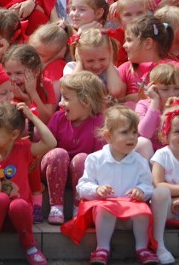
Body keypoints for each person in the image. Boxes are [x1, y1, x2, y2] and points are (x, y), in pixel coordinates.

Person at [62, 106, 159, 265]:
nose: (132, 137)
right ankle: (102, 248)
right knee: (104, 208)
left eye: (134, 132)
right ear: (108, 136)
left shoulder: (139, 161)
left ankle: (142, 248)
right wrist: (96, 189)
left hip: (130, 214)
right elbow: (83, 185)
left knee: (143, 210)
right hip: (103, 212)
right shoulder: (95, 159)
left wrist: (141, 190)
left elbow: (148, 185)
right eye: (125, 132)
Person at [0, 103, 55, 265]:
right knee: (0, 199)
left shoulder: (23, 148)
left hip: (18, 219)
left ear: (13, 135)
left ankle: (30, 246)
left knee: (18, 204)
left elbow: (51, 143)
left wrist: (31, 117)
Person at [42, 72, 106, 224]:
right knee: (59, 153)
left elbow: (99, 159)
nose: (61, 103)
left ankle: (79, 204)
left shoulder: (99, 123)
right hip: (54, 170)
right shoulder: (59, 117)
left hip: (83, 176)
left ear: (86, 101)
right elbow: (46, 146)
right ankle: (56, 205)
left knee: (82, 159)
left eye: (67, 98)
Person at [150, 103, 179, 264]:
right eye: (177, 132)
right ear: (166, 135)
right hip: (168, 209)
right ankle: (159, 243)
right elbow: (158, 183)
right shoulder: (163, 155)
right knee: (160, 193)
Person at [65, 28, 126, 99]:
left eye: (102, 59)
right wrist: (79, 63)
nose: (97, 66)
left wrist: (110, 62)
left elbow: (115, 91)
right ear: (79, 56)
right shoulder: (71, 67)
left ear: (110, 54)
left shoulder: (110, 71)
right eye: (90, 61)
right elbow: (72, 88)